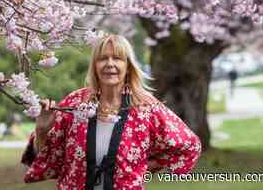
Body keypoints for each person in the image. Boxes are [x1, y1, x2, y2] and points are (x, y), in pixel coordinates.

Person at [21, 34, 201, 189]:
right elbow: (50, 158)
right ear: (95, 65)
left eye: (117, 58)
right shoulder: (76, 103)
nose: (109, 64)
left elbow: (188, 146)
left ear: (128, 65)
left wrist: (146, 167)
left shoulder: (146, 108)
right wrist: (42, 131)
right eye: (103, 58)